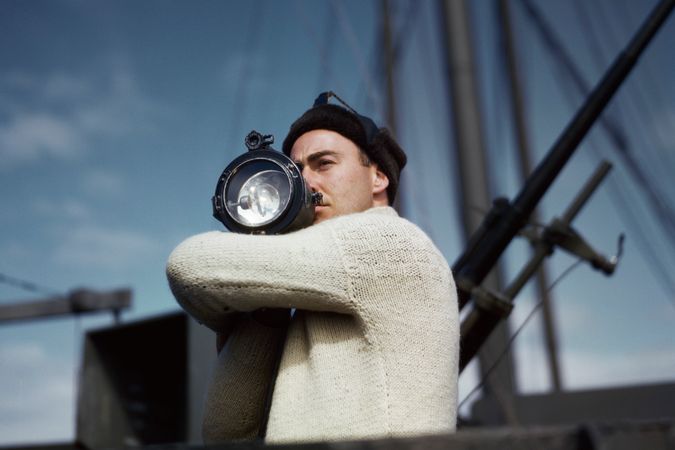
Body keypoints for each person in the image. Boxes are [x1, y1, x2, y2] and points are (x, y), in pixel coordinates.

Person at [166, 94, 459, 444]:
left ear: (378, 177)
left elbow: (190, 265)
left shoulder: (388, 241)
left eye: (324, 164)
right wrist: (264, 313)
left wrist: (235, 293)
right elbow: (227, 432)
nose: (305, 184)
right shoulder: (313, 287)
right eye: (297, 170)